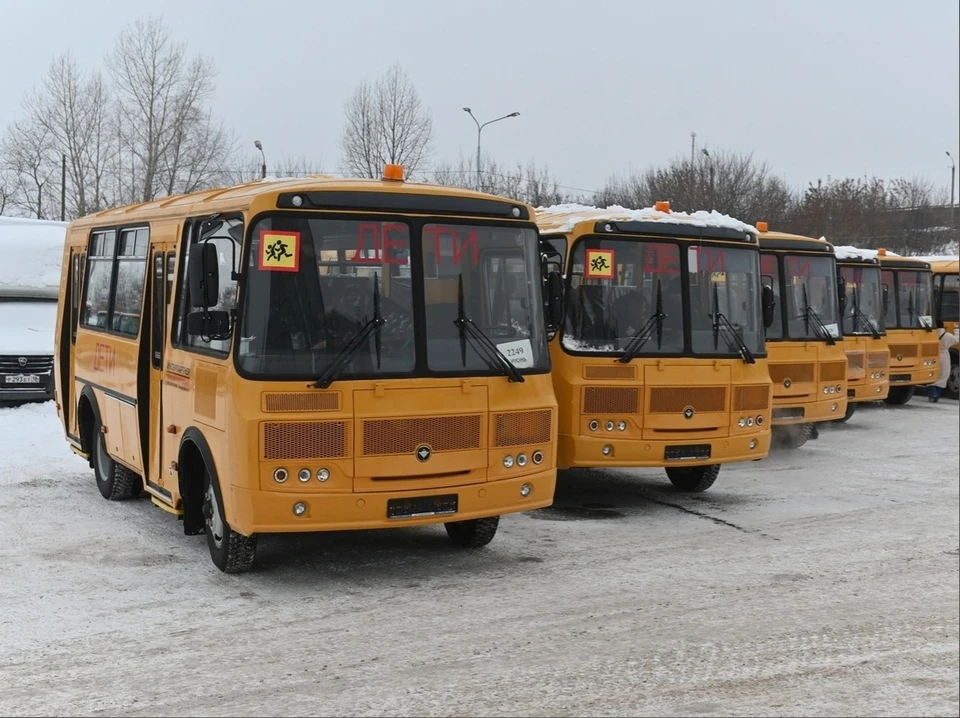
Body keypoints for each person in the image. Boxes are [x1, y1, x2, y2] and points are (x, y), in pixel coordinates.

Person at [928, 325, 959, 402]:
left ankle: (932, 393)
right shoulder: (946, 335)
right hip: (943, 356)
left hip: (932, 356)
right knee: (943, 375)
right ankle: (936, 395)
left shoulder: (930, 333)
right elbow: (957, 339)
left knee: (932, 375)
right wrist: (956, 329)